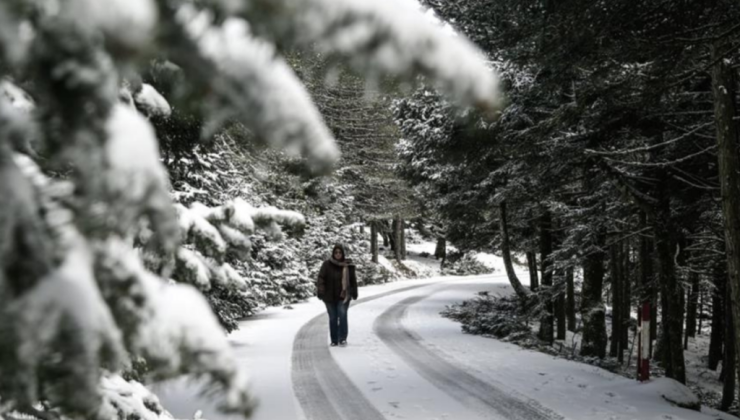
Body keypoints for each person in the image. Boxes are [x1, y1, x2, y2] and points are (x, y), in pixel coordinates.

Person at [316, 244, 358, 347]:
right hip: (329, 296)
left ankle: (342, 338)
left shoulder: (348, 266)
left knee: (342, 315)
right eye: (336, 252)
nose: (338, 254)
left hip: (343, 296)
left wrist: (354, 292)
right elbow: (321, 278)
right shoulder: (326, 265)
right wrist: (321, 290)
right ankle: (334, 339)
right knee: (333, 318)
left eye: (340, 252)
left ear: (343, 254)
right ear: (333, 254)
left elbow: (353, 280)